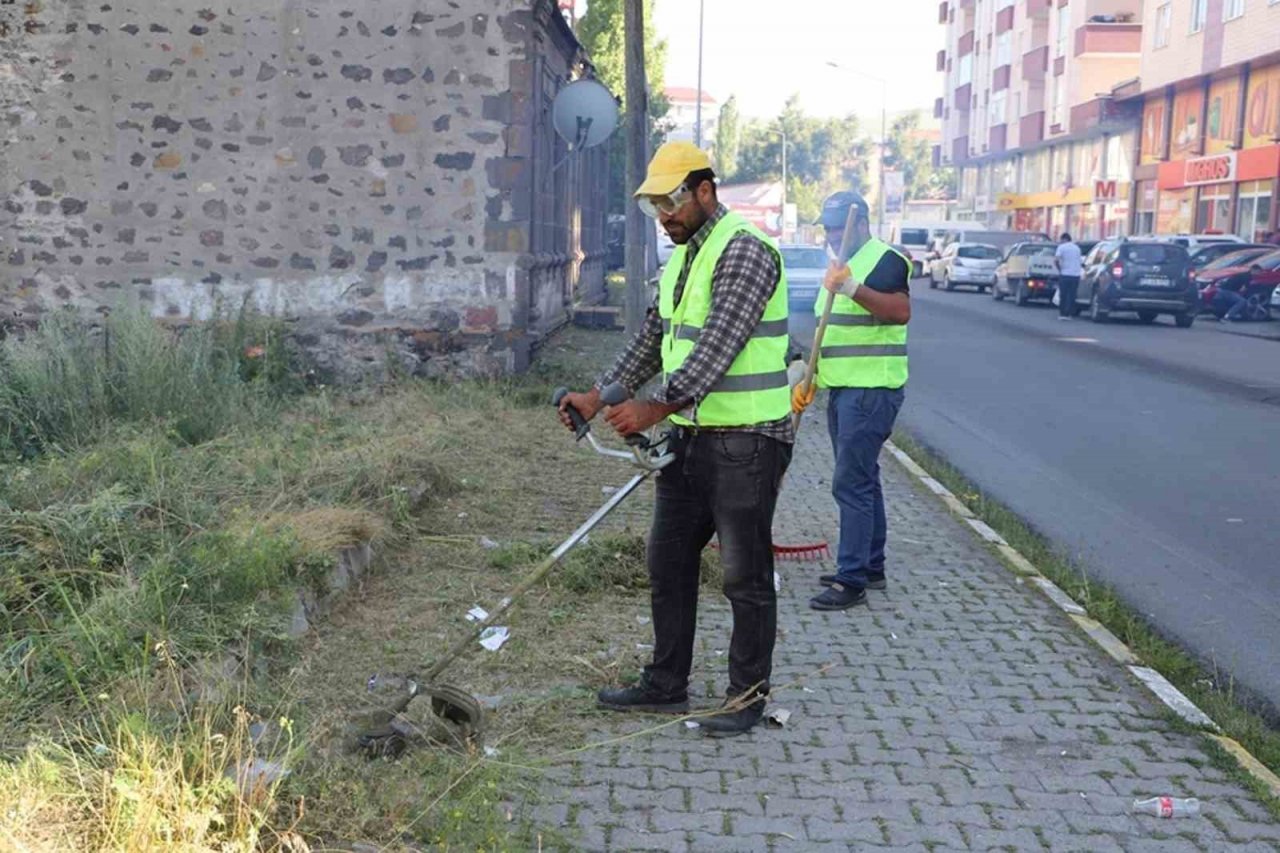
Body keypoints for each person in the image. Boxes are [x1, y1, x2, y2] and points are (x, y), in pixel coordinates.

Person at [556, 141, 792, 737]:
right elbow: (651, 340)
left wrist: (652, 406)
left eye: (673, 201)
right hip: (691, 437)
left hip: (748, 440)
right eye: (656, 205)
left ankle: (744, 699)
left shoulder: (745, 252)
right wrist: (599, 395)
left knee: (744, 575)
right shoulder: (686, 259)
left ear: (705, 191)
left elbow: (717, 348)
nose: (665, 214)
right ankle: (666, 683)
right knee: (667, 560)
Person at [792, 192, 911, 611]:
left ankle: (851, 580)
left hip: (870, 391)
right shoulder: (839, 264)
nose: (831, 235)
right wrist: (811, 378)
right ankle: (871, 567)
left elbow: (899, 311)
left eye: (839, 227)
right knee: (865, 478)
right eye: (827, 228)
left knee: (850, 483)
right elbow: (834, 332)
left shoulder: (884, 260)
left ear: (861, 224)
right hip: (844, 389)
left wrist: (853, 287)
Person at [1054, 233, 1083, 320]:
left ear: (1064, 239)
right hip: (1075, 275)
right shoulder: (1077, 248)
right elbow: (1079, 261)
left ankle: (1062, 314)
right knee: (1072, 295)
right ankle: (1069, 313)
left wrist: (1059, 269)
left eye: (1061, 240)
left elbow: (1056, 260)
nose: (1060, 242)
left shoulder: (1061, 247)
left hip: (1065, 274)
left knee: (1063, 294)